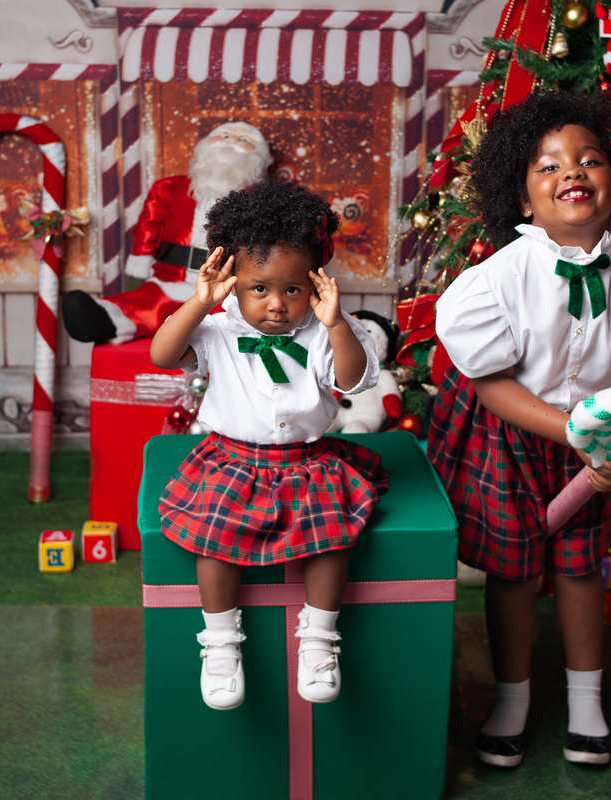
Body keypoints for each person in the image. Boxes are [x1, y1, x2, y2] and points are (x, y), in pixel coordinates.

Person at [429, 90, 611, 767]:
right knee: (513, 574)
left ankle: (587, 706)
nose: (571, 172)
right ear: (522, 200)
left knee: (582, 569)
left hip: (601, 441)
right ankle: (512, 701)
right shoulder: (497, 280)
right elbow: (491, 384)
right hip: (515, 435)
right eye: (548, 166)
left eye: (589, 160)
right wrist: (575, 429)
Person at [151, 180, 385, 710]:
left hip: (307, 462)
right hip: (232, 462)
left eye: (293, 289)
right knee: (214, 539)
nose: (276, 304)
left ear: (315, 284)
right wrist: (199, 303)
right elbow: (163, 355)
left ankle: (319, 638)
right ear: (233, 282)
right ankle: (220, 643)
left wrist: (336, 324)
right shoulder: (217, 329)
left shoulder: (325, 331)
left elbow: (351, 381)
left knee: (330, 538)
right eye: (259, 288)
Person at [63, 121, 273, 344]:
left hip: (225, 288)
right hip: (169, 281)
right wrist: (135, 282)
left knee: (229, 318)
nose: (231, 142)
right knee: (145, 304)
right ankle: (106, 316)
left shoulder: (262, 202)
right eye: (224, 136)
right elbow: (147, 234)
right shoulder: (168, 188)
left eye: (245, 140)